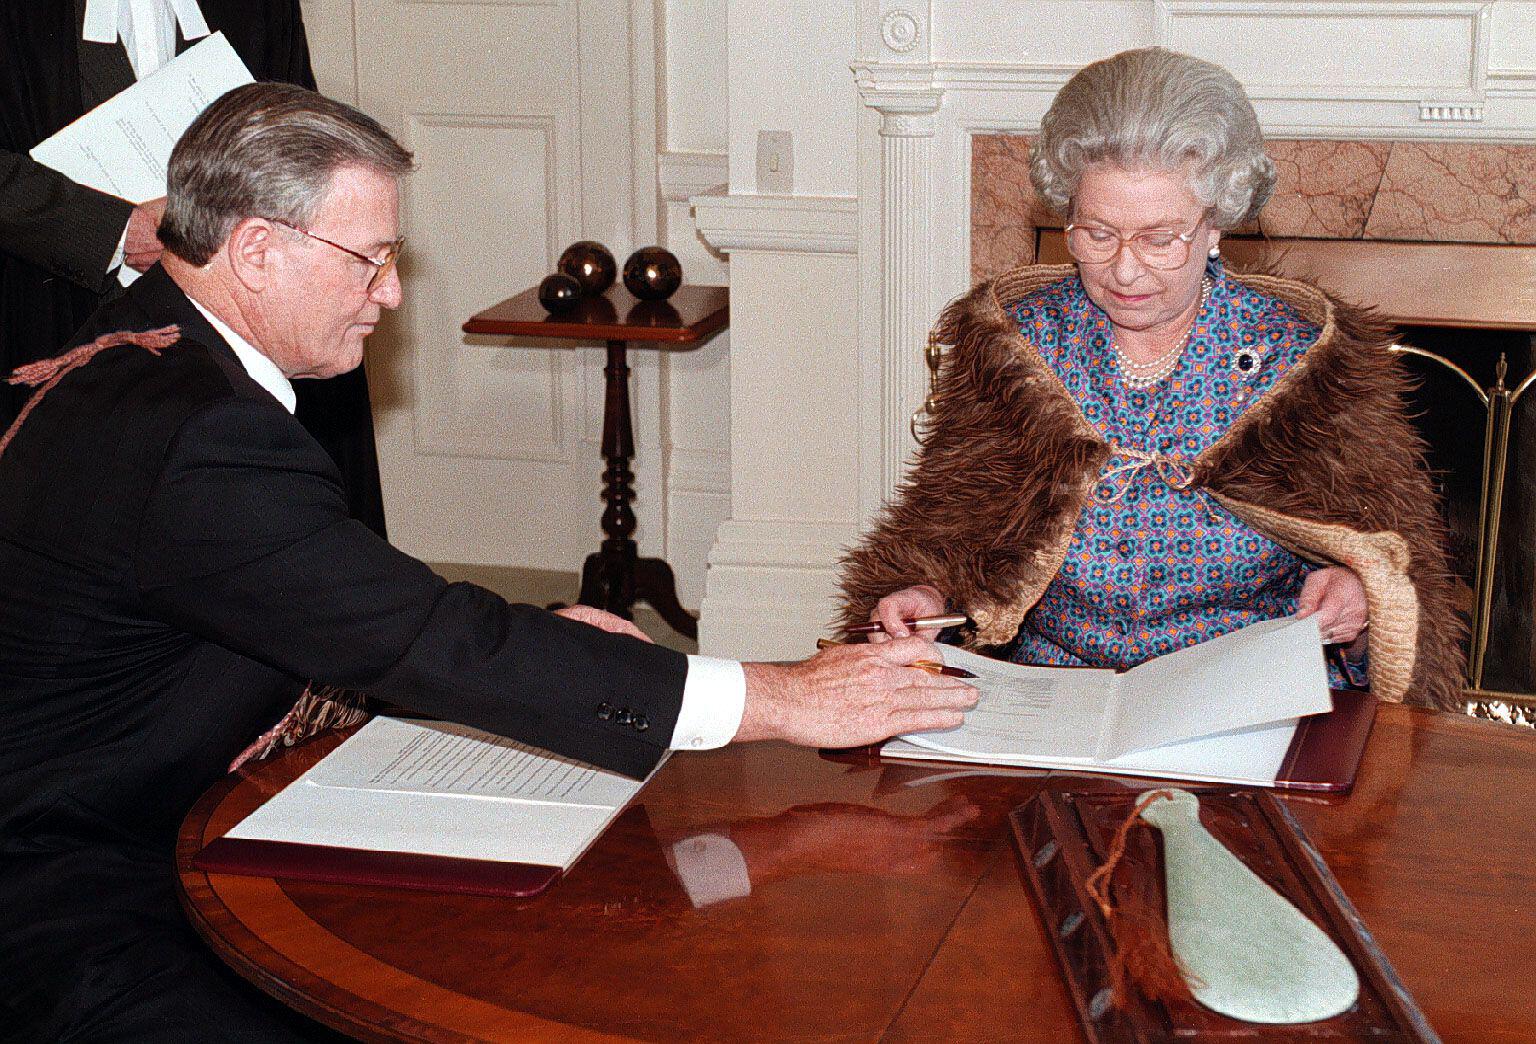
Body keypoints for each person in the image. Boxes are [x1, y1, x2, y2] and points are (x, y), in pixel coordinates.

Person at [0, 83, 976, 1040]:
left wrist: (529, 638)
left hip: (161, 821)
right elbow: (422, 639)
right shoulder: (202, 436)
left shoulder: (135, 350)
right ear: (255, 250)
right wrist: (783, 697)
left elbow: (323, 591)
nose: (389, 294)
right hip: (77, 888)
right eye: (370, 260)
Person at [839, 47, 1463, 710]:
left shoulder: (1302, 360)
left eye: (1161, 238)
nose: (1126, 271)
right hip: (1053, 693)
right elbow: (948, 530)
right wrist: (924, 594)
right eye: (1097, 234)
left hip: (1243, 695)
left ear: (1217, 223)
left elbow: (1390, 558)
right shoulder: (1017, 344)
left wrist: (1354, 595)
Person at [0, 0, 388, 537]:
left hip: (255, 302)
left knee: (284, 531)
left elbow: (303, 136)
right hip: (57, 298)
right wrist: (112, 229)